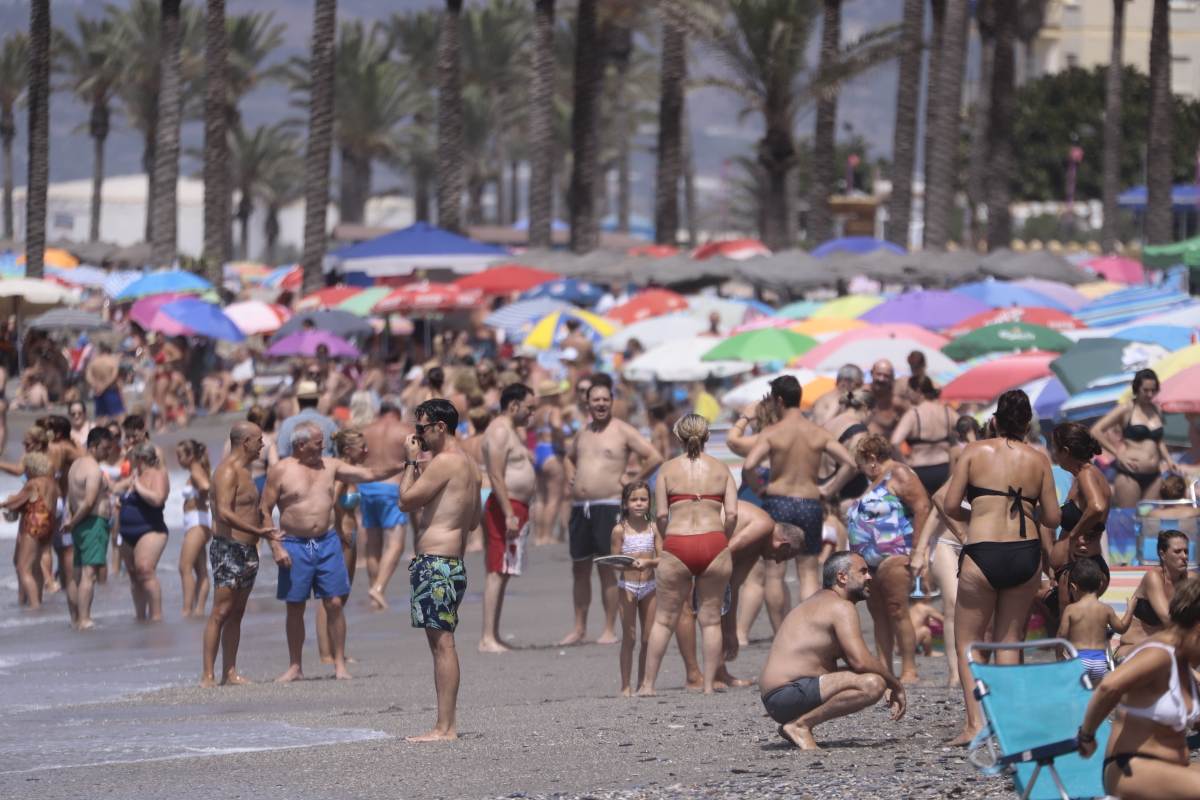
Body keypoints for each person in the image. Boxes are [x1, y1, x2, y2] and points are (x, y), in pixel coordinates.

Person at [942, 389, 1060, 745]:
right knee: (1010, 642)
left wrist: (979, 513)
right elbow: (1053, 517)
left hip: (983, 550)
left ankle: (975, 724)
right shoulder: (1038, 459)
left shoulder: (974, 452)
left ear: (993, 420)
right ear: (1027, 424)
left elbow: (950, 504)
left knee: (969, 642)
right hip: (1025, 552)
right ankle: (1009, 724)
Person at [261, 422, 402, 682]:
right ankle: (295, 665)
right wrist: (275, 546)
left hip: (327, 542)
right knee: (295, 606)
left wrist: (403, 465)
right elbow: (265, 510)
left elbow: (370, 473)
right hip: (294, 543)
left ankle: (339, 664)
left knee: (335, 603)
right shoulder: (281, 470)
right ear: (300, 445)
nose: (323, 447)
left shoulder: (331, 466)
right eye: (317, 443)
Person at [759, 551, 906, 750]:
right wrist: (895, 685)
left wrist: (886, 680)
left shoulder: (821, 602)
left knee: (872, 678)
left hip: (781, 697)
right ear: (842, 577)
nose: (869, 577)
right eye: (863, 571)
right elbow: (861, 660)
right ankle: (800, 726)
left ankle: (796, 723)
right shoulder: (840, 607)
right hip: (787, 693)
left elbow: (858, 664)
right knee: (873, 684)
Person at [398, 398, 483, 742]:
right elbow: (473, 521)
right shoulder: (470, 464)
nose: (417, 436)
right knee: (442, 642)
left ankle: (445, 727)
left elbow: (405, 501)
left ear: (440, 427)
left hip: (435, 563)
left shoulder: (444, 461)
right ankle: (445, 724)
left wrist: (410, 461)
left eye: (421, 429)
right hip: (452, 563)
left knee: (442, 645)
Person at [637, 414, 736, 696]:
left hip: (678, 542)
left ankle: (648, 685)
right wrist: (723, 539)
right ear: (707, 437)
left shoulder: (667, 470)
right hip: (713, 541)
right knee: (711, 619)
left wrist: (669, 539)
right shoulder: (721, 469)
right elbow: (732, 514)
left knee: (664, 619)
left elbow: (661, 515)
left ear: (678, 437)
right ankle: (708, 685)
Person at [562, 374, 663, 646]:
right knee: (579, 568)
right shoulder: (583, 432)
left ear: (612, 402)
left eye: (605, 399)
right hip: (580, 507)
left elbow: (654, 456)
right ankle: (579, 628)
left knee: (607, 567)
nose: (601, 404)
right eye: (596, 400)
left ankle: (609, 628)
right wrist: (570, 474)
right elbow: (568, 458)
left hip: (608, 505)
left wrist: (633, 480)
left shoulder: (622, 430)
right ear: (587, 403)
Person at [1077, 577, 1200, 798]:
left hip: (1172, 771)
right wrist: (1086, 736)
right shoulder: (1159, 653)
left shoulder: (1182, 663)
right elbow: (1109, 687)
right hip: (1131, 768)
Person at [743, 375, 857, 601]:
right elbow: (850, 464)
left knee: (775, 572)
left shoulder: (772, 432)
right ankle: (809, 620)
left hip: (778, 501)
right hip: (809, 502)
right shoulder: (817, 431)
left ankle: (780, 623)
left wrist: (758, 489)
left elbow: (748, 466)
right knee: (808, 571)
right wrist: (829, 489)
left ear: (779, 400)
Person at [847, 433, 931, 684]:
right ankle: (885, 670)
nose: (860, 469)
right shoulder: (874, 482)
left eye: (860, 463)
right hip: (868, 561)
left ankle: (909, 669)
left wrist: (918, 550)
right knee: (878, 614)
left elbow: (922, 507)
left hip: (896, 552)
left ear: (872, 458)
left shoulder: (899, 473)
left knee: (897, 609)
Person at [202, 422, 279, 687]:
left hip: (248, 550)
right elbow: (224, 513)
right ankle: (208, 675)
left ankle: (230, 672)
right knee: (221, 610)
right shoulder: (226, 471)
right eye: (259, 440)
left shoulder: (247, 472)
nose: (262, 445)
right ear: (245, 442)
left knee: (237, 611)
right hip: (229, 547)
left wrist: (265, 535)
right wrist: (258, 530)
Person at [480, 383, 535, 653]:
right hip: (506, 506)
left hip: (515, 505)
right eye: (529, 408)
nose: (531, 414)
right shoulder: (500, 430)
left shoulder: (512, 430)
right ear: (514, 405)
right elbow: (495, 474)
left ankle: (494, 634)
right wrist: (509, 513)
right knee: (496, 570)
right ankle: (487, 637)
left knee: (504, 571)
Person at [1046, 422, 1112, 625]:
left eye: (1054, 448)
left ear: (1066, 451)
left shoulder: (1086, 474)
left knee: (1071, 632)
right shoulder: (1085, 476)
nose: (1053, 454)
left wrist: (1074, 535)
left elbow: (1097, 506)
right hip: (1082, 567)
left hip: (1081, 568)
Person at [318, 427, 368, 666]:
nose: (366, 451)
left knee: (342, 595)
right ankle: (326, 653)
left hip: (350, 535)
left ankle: (336, 649)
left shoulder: (350, 471)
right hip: (340, 537)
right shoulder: (340, 474)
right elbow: (329, 502)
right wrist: (337, 529)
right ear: (348, 450)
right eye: (362, 447)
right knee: (331, 596)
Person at [1091, 369, 1177, 506]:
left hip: (1154, 475)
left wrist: (1168, 459)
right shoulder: (1127, 408)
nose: (1150, 394)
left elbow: (1158, 440)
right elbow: (1096, 430)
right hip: (1130, 474)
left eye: (1153, 390)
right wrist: (1117, 454)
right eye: (1146, 390)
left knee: (1150, 516)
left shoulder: (1156, 410)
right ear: (1137, 388)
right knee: (1130, 516)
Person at [358, 401, 413, 611]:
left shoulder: (365, 431)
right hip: (391, 488)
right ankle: (378, 588)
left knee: (373, 543)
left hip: (367, 487)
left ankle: (375, 592)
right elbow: (417, 460)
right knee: (396, 544)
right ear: (397, 412)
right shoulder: (405, 430)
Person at [610, 480, 661, 696]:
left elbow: (662, 557)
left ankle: (643, 683)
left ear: (650, 502)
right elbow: (613, 560)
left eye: (643, 499)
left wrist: (649, 562)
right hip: (627, 586)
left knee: (648, 638)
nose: (639, 504)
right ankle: (625, 685)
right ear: (625, 503)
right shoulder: (619, 530)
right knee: (629, 637)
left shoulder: (653, 528)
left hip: (650, 585)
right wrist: (626, 563)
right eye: (634, 500)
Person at [64, 428, 116, 630]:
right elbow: (88, 502)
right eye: (105, 448)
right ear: (93, 446)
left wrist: (71, 520)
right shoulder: (93, 470)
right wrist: (72, 522)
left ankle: (75, 618)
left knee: (76, 574)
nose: (108, 452)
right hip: (92, 523)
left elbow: (70, 498)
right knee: (89, 574)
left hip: (79, 524)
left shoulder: (75, 465)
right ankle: (84, 619)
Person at [1116, 530, 1191, 661]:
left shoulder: (1190, 579)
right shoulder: (1154, 577)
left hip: (1165, 649)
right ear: (1163, 554)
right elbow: (1168, 619)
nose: (1184, 556)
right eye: (1177, 551)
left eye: (1186, 551)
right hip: (1132, 649)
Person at [118, 441, 170, 623]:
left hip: (150, 530)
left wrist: (138, 487)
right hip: (127, 532)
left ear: (140, 458)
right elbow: (115, 488)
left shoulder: (158, 474)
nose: (129, 461)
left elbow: (158, 499)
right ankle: (140, 617)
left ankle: (156, 616)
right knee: (134, 574)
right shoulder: (134, 475)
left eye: (132, 458)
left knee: (145, 570)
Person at [1058, 558, 1134, 683]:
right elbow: (1122, 628)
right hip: (1100, 661)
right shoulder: (1106, 609)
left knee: (1076, 691)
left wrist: (1059, 655)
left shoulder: (1071, 609)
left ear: (1073, 587)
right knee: (1096, 693)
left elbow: (1061, 635)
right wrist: (1130, 610)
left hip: (1079, 660)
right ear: (1100, 585)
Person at [2, 452, 58, 610]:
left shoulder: (33, 483)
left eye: (26, 469)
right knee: (36, 567)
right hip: (48, 526)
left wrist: (5, 503)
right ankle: (38, 600)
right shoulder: (52, 483)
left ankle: (34, 605)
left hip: (33, 525)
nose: (24, 472)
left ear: (32, 468)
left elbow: (14, 503)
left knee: (23, 568)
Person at [891, 376, 954, 496]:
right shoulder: (947, 411)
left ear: (918, 391)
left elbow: (894, 442)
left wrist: (905, 464)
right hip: (945, 468)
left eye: (908, 392)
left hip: (920, 470)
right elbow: (966, 428)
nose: (907, 396)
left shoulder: (913, 414)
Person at [177, 440, 213, 618]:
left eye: (180, 456)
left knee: (184, 567)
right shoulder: (198, 469)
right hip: (199, 522)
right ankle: (198, 611)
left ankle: (187, 610)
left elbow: (206, 486)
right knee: (200, 570)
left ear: (190, 456)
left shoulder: (196, 470)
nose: (178, 460)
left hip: (197, 523)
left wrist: (205, 495)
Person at [819, 388, 873, 505]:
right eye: (873, 413)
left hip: (821, 482)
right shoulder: (859, 431)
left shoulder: (829, 423)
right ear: (865, 409)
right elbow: (851, 466)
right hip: (840, 494)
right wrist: (827, 493)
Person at [530, 380, 567, 546]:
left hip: (538, 451)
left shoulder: (538, 412)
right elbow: (557, 426)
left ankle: (538, 536)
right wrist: (563, 436)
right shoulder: (555, 410)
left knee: (540, 498)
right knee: (553, 498)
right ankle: (547, 535)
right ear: (554, 395)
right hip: (551, 452)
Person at [275, 380, 338, 458]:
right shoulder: (330, 424)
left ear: (298, 401)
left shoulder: (288, 423)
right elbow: (338, 452)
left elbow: (282, 453)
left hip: (295, 465)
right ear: (317, 400)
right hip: (327, 465)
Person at [866, 360, 908, 439]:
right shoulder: (860, 395)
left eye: (886, 376)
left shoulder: (896, 403)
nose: (881, 379)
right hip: (859, 446)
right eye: (878, 374)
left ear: (892, 378)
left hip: (884, 445)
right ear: (872, 373)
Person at [86, 342, 124, 421]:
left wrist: (95, 385)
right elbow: (114, 376)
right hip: (111, 390)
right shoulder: (112, 361)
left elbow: (88, 376)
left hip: (97, 391)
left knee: (100, 416)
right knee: (118, 415)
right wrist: (104, 386)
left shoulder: (94, 361)